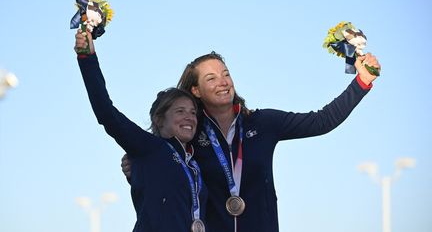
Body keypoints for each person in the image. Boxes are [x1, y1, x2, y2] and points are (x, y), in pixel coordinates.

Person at [121, 49, 381, 232]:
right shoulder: (190, 134)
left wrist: (362, 82)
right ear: (196, 91)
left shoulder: (263, 123)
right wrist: (135, 166)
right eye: (211, 78)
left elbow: (322, 121)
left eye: (226, 74)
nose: (223, 82)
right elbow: (162, 167)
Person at [74, 29, 208, 232]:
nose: (189, 117)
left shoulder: (194, 164)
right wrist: (87, 58)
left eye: (192, 112)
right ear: (159, 119)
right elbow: (106, 112)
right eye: (180, 111)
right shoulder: (149, 148)